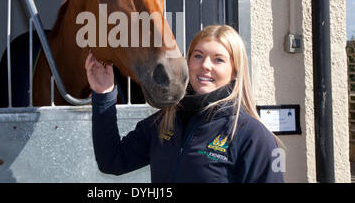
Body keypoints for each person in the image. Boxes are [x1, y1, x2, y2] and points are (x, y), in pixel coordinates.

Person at [85, 25, 284, 183]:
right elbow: (111, 161)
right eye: (198, 56)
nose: (205, 65)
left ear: (235, 71)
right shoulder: (164, 122)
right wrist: (104, 95)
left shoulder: (252, 136)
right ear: (187, 62)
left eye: (218, 60)